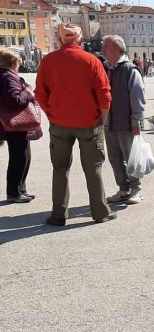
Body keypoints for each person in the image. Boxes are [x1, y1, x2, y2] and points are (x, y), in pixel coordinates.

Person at [34, 23, 115, 225]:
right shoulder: (92, 60)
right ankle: (100, 212)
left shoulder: (48, 61)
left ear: (61, 39)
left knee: (59, 169)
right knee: (93, 168)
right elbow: (105, 94)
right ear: (80, 39)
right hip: (89, 122)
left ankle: (58, 214)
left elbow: (40, 94)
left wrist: (51, 114)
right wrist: (101, 118)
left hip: (59, 123)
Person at [102, 35, 146, 205]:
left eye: (107, 45)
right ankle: (123, 189)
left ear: (117, 48)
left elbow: (138, 96)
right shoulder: (105, 68)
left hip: (126, 123)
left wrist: (136, 121)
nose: (103, 48)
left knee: (131, 157)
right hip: (109, 122)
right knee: (115, 158)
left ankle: (137, 189)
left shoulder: (130, 69)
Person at [0, 48, 42, 203]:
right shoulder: (8, 77)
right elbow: (14, 100)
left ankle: (19, 189)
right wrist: (29, 92)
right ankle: (14, 192)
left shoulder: (4, 75)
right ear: (13, 62)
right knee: (19, 157)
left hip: (11, 123)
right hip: (15, 122)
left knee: (22, 156)